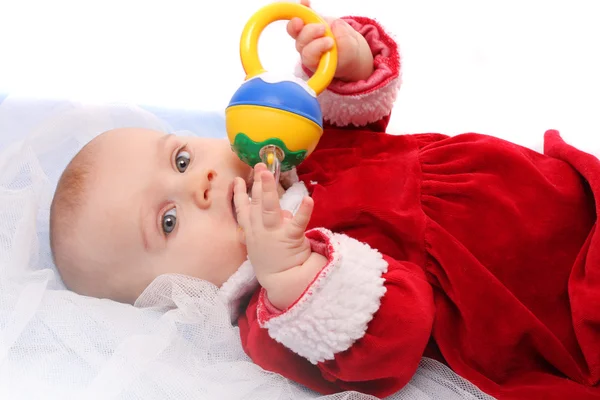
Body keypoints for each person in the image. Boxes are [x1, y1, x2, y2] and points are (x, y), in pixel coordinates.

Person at [49, 1, 600, 398]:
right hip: (520, 294)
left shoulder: (284, 154)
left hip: (537, 191)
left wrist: (346, 69)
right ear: (176, 293)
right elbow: (393, 340)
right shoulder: (275, 316)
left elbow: (357, 133)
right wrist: (292, 273)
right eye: (168, 221)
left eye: (182, 160)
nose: (201, 185)